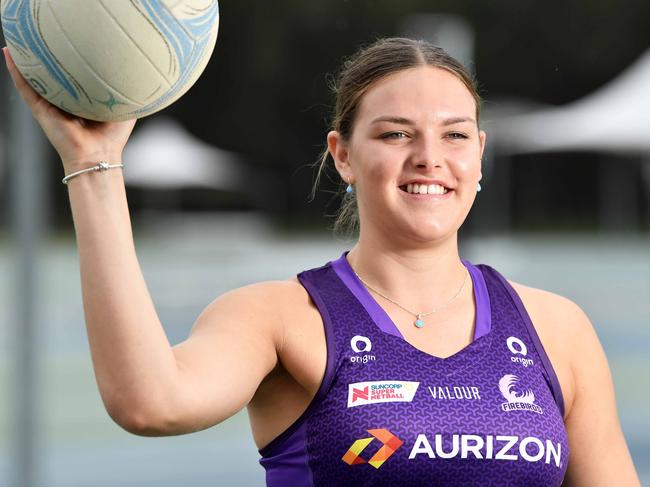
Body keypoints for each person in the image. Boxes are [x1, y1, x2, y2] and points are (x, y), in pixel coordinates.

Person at [2, 37, 640, 486]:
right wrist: (93, 166)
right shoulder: (282, 318)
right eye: (395, 134)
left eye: (454, 134)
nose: (429, 157)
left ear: (479, 155)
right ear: (342, 155)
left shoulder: (556, 330)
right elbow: (150, 402)